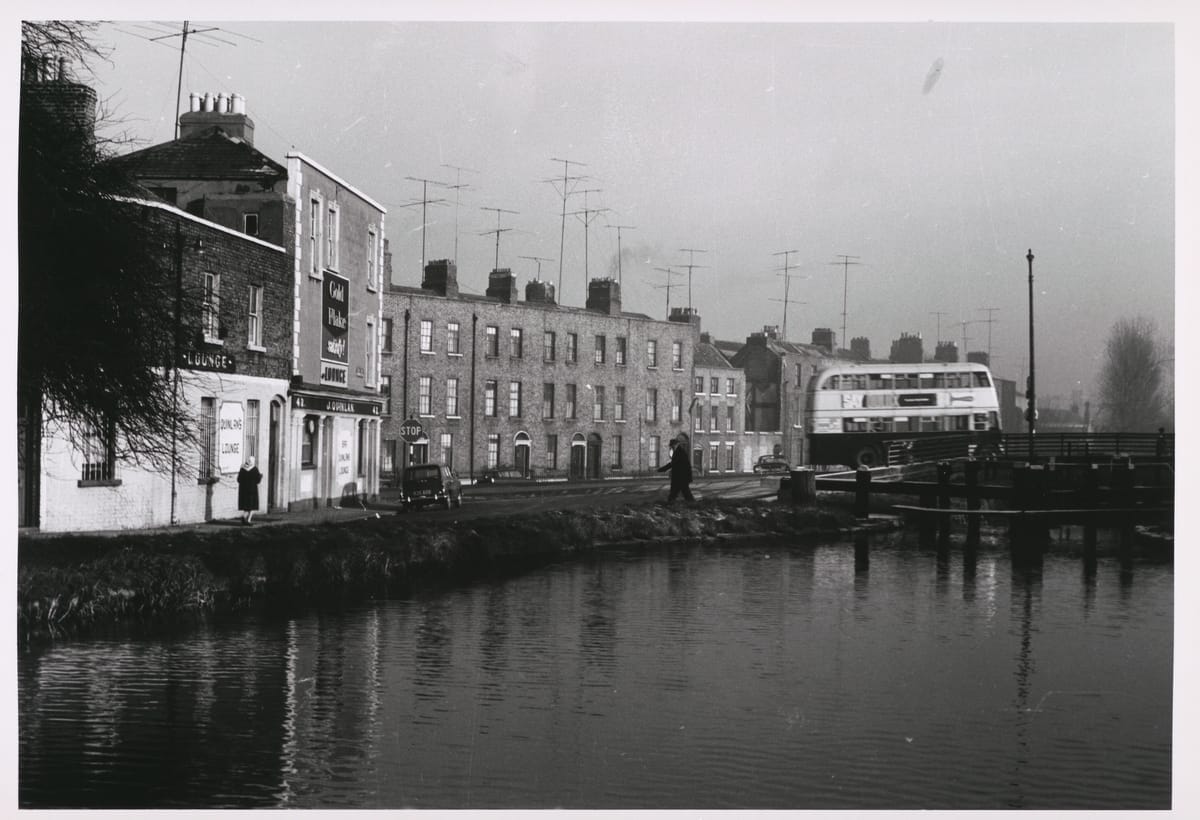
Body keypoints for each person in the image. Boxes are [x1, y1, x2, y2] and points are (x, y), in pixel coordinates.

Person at [657, 437, 694, 504]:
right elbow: (673, 463)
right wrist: (662, 469)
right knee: (676, 493)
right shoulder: (677, 452)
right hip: (679, 478)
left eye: (672, 445)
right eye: (671, 446)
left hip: (681, 478)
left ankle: (693, 505)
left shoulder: (680, 452)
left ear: (677, 444)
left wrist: (662, 469)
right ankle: (671, 504)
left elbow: (674, 464)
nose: (671, 447)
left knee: (685, 494)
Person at [237, 456, 263, 524]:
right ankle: (248, 520)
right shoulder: (254, 469)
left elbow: (238, 480)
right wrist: (260, 476)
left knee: (246, 506)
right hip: (252, 490)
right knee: (252, 506)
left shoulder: (242, 468)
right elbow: (258, 481)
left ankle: (244, 516)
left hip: (244, 491)